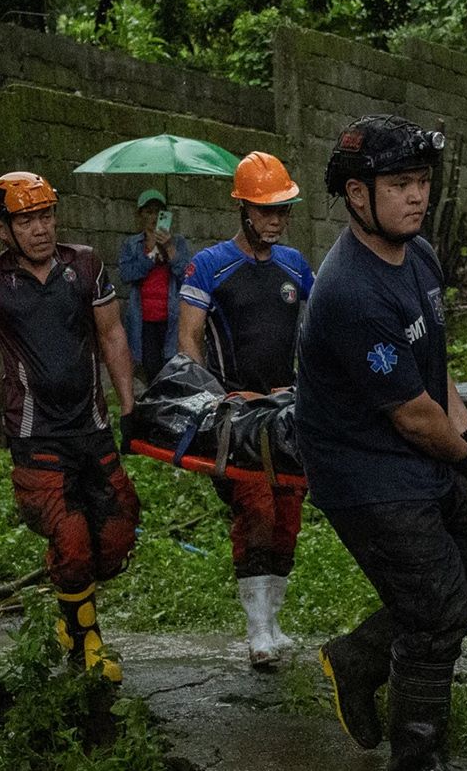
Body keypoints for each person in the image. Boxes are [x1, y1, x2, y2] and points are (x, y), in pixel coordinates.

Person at [300, 114, 467, 771]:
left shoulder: (419, 255)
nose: (417, 196)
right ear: (357, 194)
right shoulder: (350, 291)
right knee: (436, 609)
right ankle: (417, 756)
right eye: (399, 185)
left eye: (422, 181)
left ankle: (356, 660)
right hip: (364, 473)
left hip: (418, 455)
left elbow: (432, 375)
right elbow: (414, 415)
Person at [0, 171, 139, 683]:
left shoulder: (85, 264)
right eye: (26, 220)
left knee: (116, 536)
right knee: (71, 539)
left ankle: (69, 610)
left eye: (46, 216)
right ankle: (87, 642)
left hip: (92, 427)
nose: (41, 228)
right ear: (2, 229)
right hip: (35, 434)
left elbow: (112, 335)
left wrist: (130, 407)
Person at [176, 151, 316, 668]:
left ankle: (274, 623)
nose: (276, 220)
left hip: (288, 410)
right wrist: (209, 403)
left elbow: (322, 328)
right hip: (236, 413)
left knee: (288, 516)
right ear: (243, 209)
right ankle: (257, 630)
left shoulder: (295, 266)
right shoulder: (209, 265)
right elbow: (188, 338)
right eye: (266, 210)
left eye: (283, 210)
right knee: (255, 511)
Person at [118, 188, 193, 385]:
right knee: (150, 367)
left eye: (158, 212)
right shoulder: (132, 244)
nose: (153, 217)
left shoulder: (178, 242)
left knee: (173, 367)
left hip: (171, 316)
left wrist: (169, 249)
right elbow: (126, 274)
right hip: (144, 318)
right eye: (149, 212)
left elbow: (187, 275)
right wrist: (151, 256)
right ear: (140, 215)